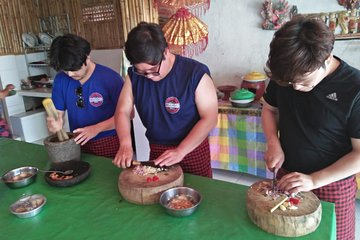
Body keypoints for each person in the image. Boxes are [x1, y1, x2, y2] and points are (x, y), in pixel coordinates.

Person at [262, 15, 360, 240]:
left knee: (333, 235)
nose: (294, 87)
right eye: (289, 83)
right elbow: (269, 109)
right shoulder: (285, 75)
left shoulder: (354, 88)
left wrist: (315, 180)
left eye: (303, 81)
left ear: (326, 59)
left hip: (333, 183)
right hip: (289, 176)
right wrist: (273, 142)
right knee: (286, 233)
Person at [112, 22, 218, 178]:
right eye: (142, 72)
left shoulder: (195, 73)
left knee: (196, 192)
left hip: (192, 148)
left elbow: (210, 118)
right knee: (158, 191)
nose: (148, 76)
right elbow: (122, 111)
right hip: (157, 148)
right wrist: (126, 143)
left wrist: (181, 151)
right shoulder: (134, 76)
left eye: (152, 70)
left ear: (166, 52)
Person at [48, 34, 124, 158]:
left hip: (108, 140)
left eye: (74, 69)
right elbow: (58, 113)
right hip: (77, 141)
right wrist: (55, 121)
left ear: (87, 57)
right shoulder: (61, 80)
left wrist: (96, 129)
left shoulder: (110, 78)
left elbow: (128, 115)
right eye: (65, 70)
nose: (70, 74)